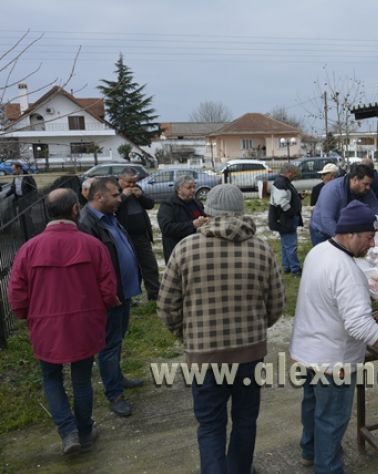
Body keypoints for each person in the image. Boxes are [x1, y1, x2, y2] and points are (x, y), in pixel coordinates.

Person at [290, 200, 378, 472]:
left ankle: (309, 452)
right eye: (368, 237)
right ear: (351, 233)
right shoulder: (347, 270)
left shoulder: (318, 251)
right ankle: (327, 467)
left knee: (313, 406)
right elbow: (361, 328)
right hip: (334, 361)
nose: (372, 244)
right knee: (331, 419)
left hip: (308, 350)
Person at [158, 184, 284, 474]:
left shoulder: (186, 248)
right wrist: (254, 328)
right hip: (249, 356)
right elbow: (277, 304)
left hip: (204, 356)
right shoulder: (261, 249)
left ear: (207, 211)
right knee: (244, 420)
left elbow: (166, 307)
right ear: (242, 210)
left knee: (211, 425)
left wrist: (187, 335)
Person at [8, 189, 117, 455]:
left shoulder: (29, 249)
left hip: (45, 325)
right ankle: (83, 430)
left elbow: (16, 292)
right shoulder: (92, 245)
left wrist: (26, 315)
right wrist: (105, 308)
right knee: (81, 380)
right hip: (85, 324)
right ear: (75, 210)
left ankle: (68, 433)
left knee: (51, 377)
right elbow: (108, 288)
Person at [78, 177, 142, 417]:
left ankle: (117, 376)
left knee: (117, 340)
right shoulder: (87, 224)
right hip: (109, 297)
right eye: (115, 195)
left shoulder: (110, 217)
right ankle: (114, 394)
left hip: (123, 293)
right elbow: (92, 268)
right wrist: (107, 293)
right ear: (99, 197)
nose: (120, 198)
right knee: (108, 345)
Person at [309, 164, 378, 246]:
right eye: (365, 184)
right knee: (327, 256)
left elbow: (377, 209)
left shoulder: (365, 190)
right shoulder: (333, 190)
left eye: (369, 185)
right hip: (322, 231)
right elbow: (326, 219)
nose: (368, 187)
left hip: (341, 226)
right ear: (355, 179)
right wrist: (344, 240)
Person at [116, 168, 160, 301]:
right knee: (129, 268)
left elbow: (150, 205)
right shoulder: (114, 192)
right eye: (128, 182)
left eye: (134, 181)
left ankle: (154, 295)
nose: (131, 185)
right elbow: (112, 208)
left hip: (142, 236)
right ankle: (131, 297)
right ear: (121, 180)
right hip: (124, 237)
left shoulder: (137, 189)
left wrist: (141, 196)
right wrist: (123, 196)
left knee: (149, 265)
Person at [157, 175, 207, 263]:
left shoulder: (196, 203)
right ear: (179, 189)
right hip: (177, 252)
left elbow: (203, 217)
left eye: (194, 187)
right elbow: (166, 228)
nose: (193, 190)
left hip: (197, 249)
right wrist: (192, 225)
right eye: (189, 188)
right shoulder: (168, 205)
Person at [269, 163, 303, 276]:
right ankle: (295, 269)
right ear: (289, 173)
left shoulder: (283, 182)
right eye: (295, 174)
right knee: (291, 245)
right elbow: (281, 201)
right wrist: (291, 213)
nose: (296, 177)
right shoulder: (281, 183)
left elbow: (285, 197)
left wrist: (297, 197)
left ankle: (287, 267)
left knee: (285, 245)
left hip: (282, 219)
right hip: (285, 219)